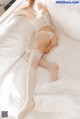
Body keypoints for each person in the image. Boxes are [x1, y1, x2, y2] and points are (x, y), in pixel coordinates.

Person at [14, 0, 59, 118]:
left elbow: (18, 11)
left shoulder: (30, 11)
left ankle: (29, 101)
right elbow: (54, 41)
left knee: (32, 64)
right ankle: (50, 66)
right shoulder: (42, 10)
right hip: (52, 36)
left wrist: (20, 10)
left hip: (43, 33)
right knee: (28, 56)